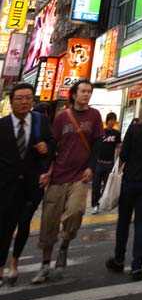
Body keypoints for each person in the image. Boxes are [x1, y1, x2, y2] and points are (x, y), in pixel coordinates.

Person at [32, 77, 103, 284]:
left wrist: (91, 167)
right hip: (58, 176)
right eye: (83, 91)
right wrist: (47, 170)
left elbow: (97, 143)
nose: (86, 94)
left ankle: (65, 244)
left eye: (89, 91)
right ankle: (45, 264)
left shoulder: (94, 116)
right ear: (74, 94)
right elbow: (53, 147)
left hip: (80, 175)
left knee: (76, 211)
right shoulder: (62, 118)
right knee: (49, 220)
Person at [0, 82, 54, 286]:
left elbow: (52, 144)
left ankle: (14, 263)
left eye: (28, 98)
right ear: (12, 102)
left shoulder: (40, 122)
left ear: (32, 100)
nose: (24, 102)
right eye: (19, 98)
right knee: (4, 228)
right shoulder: (2, 125)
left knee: (23, 225)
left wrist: (46, 148)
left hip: (31, 187)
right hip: (5, 187)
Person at [105, 96, 142, 280]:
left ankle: (119, 259)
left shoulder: (134, 129)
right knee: (141, 224)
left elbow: (123, 156)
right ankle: (137, 266)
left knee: (123, 221)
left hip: (130, 180)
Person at [92, 112, 122, 214]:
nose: (112, 122)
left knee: (107, 185)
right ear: (107, 121)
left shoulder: (117, 133)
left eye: (114, 120)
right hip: (99, 162)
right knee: (96, 185)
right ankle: (95, 205)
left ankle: (101, 201)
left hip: (110, 163)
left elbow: (118, 147)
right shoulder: (102, 132)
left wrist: (118, 161)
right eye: (110, 120)